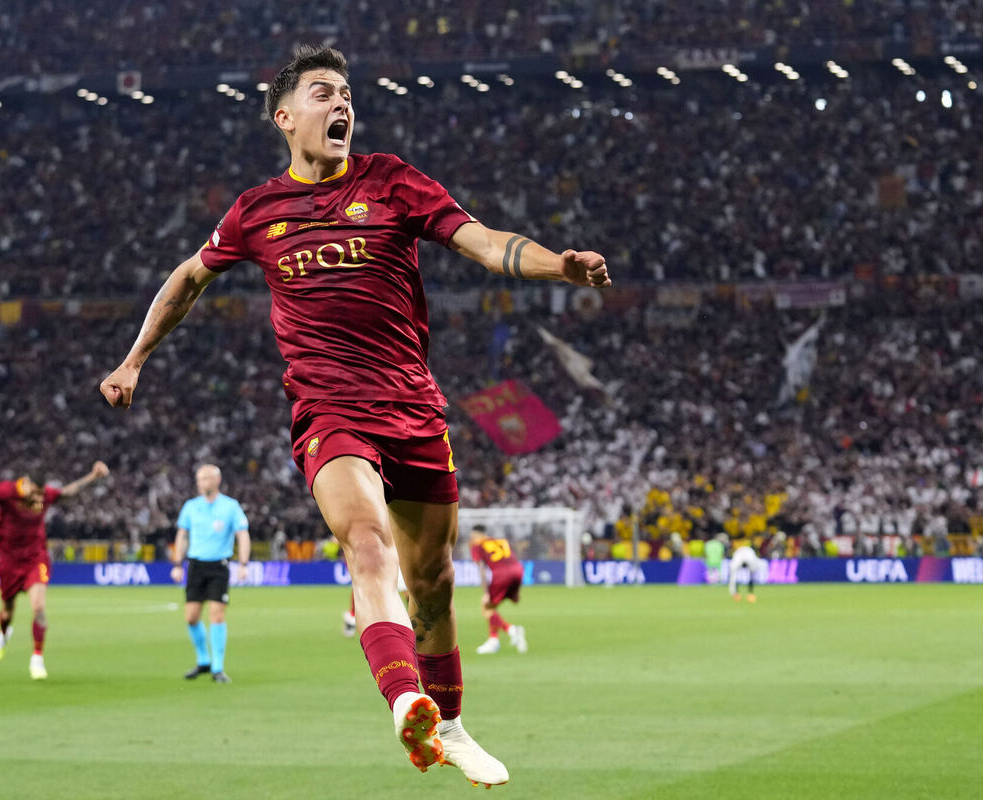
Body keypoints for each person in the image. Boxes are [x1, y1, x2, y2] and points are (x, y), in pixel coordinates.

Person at [99, 44, 609, 788]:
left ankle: (452, 724)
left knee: (431, 578)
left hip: (412, 406)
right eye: (323, 93)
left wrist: (555, 264)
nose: (341, 104)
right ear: (284, 116)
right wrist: (135, 356)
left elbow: (482, 241)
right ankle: (407, 699)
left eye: (347, 94)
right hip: (329, 411)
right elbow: (187, 280)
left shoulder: (392, 180)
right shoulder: (256, 210)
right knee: (366, 545)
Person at [0, 458, 110, 679]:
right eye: (36, 493)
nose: (40, 498)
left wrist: (93, 476)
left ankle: (37, 657)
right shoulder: (7, 491)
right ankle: (4, 632)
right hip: (9, 560)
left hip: (35, 558)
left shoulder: (45, 494)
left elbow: (67, 492)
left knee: (38, 607)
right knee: (8, 610)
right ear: (26, 484)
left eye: (42, 494)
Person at [171, 464, 250, 682]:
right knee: (191, 617)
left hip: (219, 566)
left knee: (217, 615)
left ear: (217, 480)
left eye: (206, 478)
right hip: (196, 565)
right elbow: (182, 535)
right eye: (199, 479)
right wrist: (177, 564)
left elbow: (242, 535)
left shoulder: (230, 506)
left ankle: (218, 667)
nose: (202, 483)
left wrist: (243, 564)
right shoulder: (191, 506)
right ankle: (203, 660)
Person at [469, 526, 527, 655]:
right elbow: (512, 557)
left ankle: (512, 630)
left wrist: (486, 593)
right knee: (492, 608)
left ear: (476, 535)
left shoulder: (477, 545)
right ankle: (493, 641)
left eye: (472, 535)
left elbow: (482, 569)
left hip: (502, 574)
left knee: (486, 607)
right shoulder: (500, 541)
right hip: (518, 570)